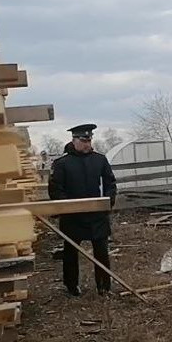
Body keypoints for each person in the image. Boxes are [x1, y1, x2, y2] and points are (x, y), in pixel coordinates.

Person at [48, 124, 117, 296]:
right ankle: (72, 286)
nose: (87, 144)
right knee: (70, 253)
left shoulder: (100, 160)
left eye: (89, 140)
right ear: (74, 140)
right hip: (73, 217)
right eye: (83, 140)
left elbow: (110, 184)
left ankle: (104, 286)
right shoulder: (62, 163)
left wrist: (107, 203)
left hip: (97, 216)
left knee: (101, 252)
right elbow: (55, 189)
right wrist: (66, 207)